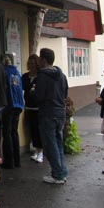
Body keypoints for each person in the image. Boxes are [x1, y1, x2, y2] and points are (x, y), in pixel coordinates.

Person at [34, 47, 69, 184]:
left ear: (43, 60)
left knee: (50, 144)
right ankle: (62, 171)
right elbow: (65, 93)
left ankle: (57, 174)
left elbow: (39, 96)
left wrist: (33, 92)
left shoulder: (42, 76)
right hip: (60, 111)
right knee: (58, 142)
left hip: (47, 112)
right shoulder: (61, 75)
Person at [1, 53, 24, 169]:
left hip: (9, 104)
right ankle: (17, 160)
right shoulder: (16, 72)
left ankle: (9, 161)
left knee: (7, 133)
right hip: (19, 105)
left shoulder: (4, 72)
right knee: (14, 132)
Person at [22, 54, 43, 163]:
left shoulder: (41, 76)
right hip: (29, 107)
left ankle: (40, 151)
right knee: (32, 130)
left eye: (33, 63)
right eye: (29, 63)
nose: (31, 65)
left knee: (39, 130)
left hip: (38, 107)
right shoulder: (25, 77)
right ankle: (36, 149)